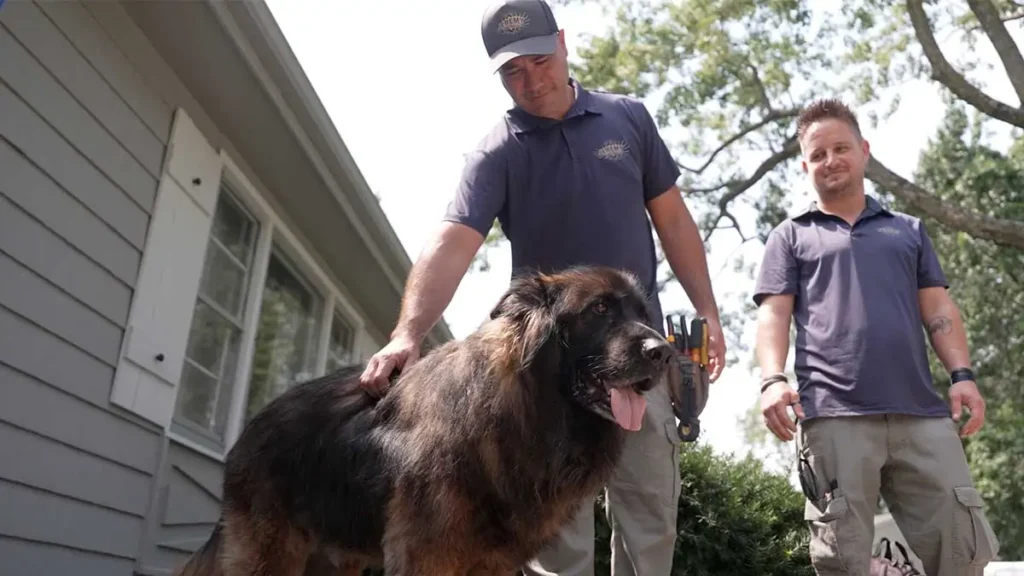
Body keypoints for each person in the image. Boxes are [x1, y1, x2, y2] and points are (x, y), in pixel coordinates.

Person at [359, 0, 726, 573]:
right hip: (547, 373)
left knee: (650, 513)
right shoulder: (498, 151)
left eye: (538, 60)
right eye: (512, 71)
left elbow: (674, 221)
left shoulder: (627, 119)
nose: (530, 81)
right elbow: (454, 242)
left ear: (563, 41)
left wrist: (707, 311)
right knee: (555, 535)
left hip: (638, 352)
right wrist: (408, 333)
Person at [753, 98, 1001, 575]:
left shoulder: (907, 231)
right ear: (805, 165)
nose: (831, 160)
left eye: (841, 148)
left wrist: (962, 375)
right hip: (834, 417)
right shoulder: (790, 237)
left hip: (921, 414)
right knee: (843, 559)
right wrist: (772, 380)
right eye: (818, 154)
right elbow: (773, 315)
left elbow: (939, 309)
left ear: (864, 150)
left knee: (963, 548)